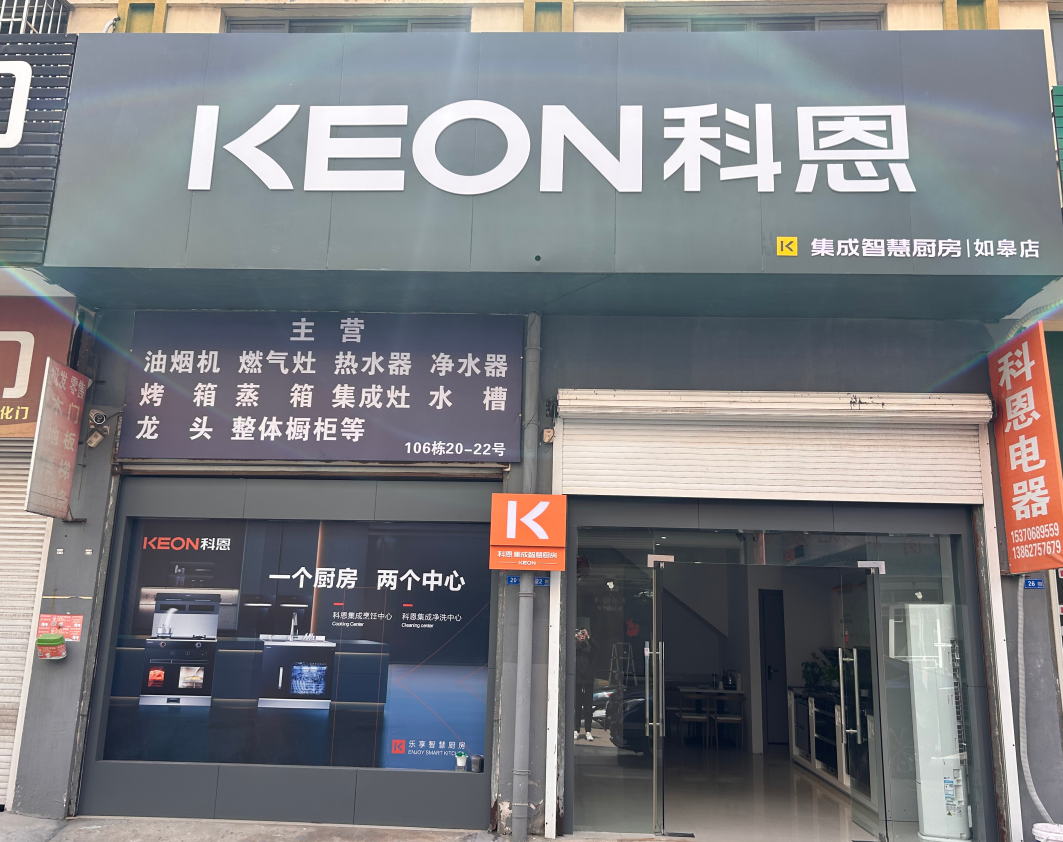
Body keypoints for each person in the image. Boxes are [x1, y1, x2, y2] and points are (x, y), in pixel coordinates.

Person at [574, 627, 597, 740]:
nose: (582, 636)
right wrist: (574, 638)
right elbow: (569, 649)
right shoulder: (575, 648)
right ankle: (576, 730)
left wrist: (588, 637)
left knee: (588, 708)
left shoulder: (589, 648)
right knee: (577, 707)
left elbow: (596, 647)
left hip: (588, 681)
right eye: (580, 634)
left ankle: (588, 731)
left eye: (583, 634)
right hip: (578, 681)